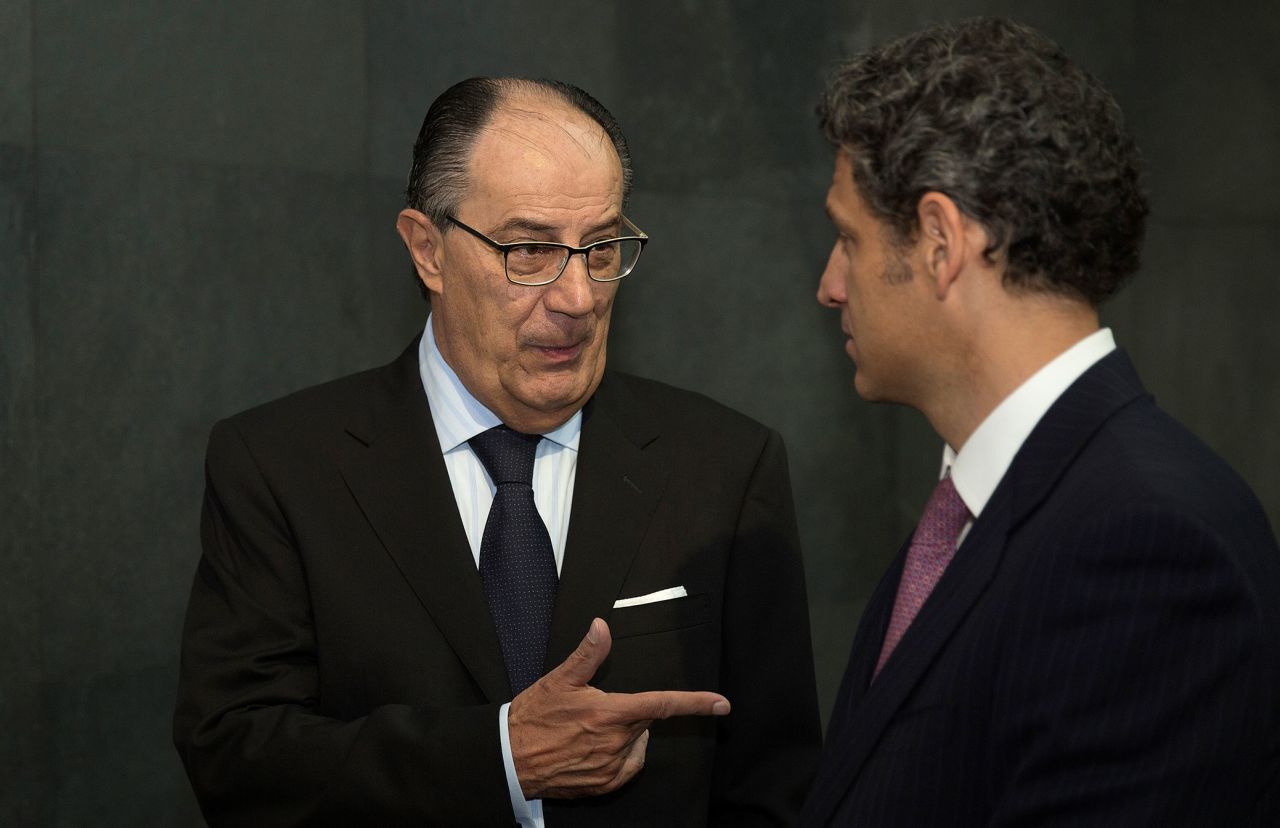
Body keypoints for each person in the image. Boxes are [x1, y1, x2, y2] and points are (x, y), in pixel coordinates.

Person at [173, 77, 820, 827]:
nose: (578, 296)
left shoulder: (725, 466)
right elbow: (238, 758)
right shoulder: (280, 466)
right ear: (428, 251)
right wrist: (504, 758)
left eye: (603, 245)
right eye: (530, 249)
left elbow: (777, 787)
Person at [801, 18, 1280, 827]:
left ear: (940, 241)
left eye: (848, 238)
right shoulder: (981, 510)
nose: (829, 284)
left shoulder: (1144, 547)